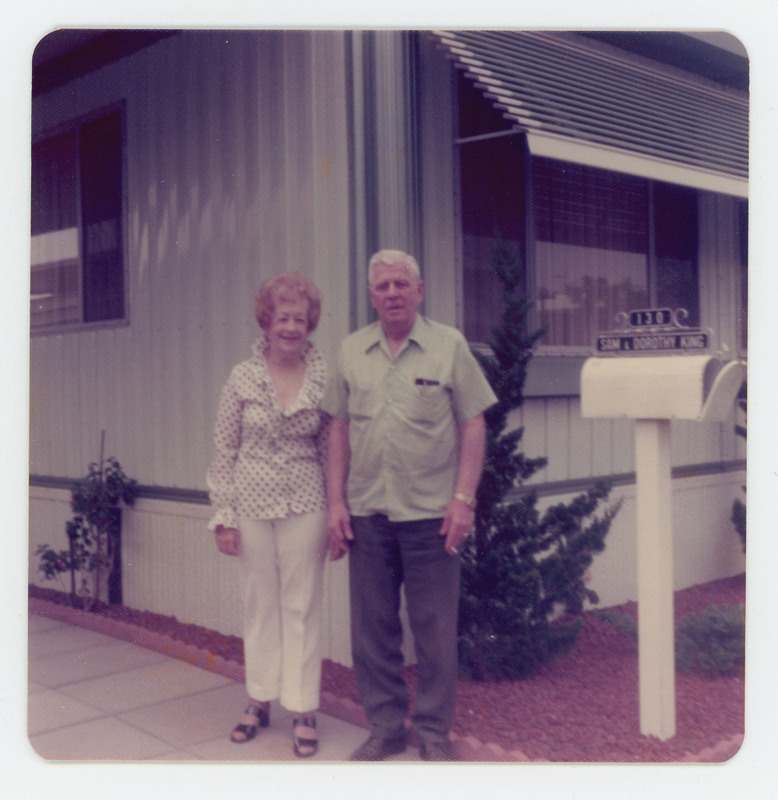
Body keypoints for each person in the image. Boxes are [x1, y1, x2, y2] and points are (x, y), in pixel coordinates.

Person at [323, 249, 497, 761]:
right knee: (371, 629)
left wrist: (463, 500)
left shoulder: (449, 346)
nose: (393, 293)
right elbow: (338, 426)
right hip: (368, 513)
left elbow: (473, 422)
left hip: (431, 517)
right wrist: (336, 502)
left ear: (419, 291)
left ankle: (434, 733)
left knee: (435, 631)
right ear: (372, 295)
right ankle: (385, 726)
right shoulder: (352, 350)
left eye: (402, 284)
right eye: (383, 286)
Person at [206, 272, 330, 758]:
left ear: (310, 323)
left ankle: (303, 708)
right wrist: (224, 514)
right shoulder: (241, 377)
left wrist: (337, 509)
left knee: (301, 604)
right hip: (251, 503)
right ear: (267, 321)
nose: (292, 327)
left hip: (306, 502)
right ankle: (258, 700)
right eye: (284, 318)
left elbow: (327, 446)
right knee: (260, 604)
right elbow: (223, 448)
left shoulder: (323, 376)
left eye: (300, 319)